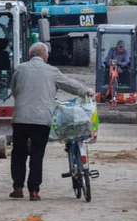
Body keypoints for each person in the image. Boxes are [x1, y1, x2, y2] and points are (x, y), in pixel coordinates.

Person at [9, 42, 92, 201]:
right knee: (37, 155)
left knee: (18, 153)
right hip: (41, 121)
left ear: (30, 54)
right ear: (45, 57)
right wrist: (87, 91)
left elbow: (14, 90)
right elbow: (70, 85)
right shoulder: (52, 71)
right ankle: (34, 191)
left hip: (20, 118)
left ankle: (18, 188)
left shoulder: (20, 69)